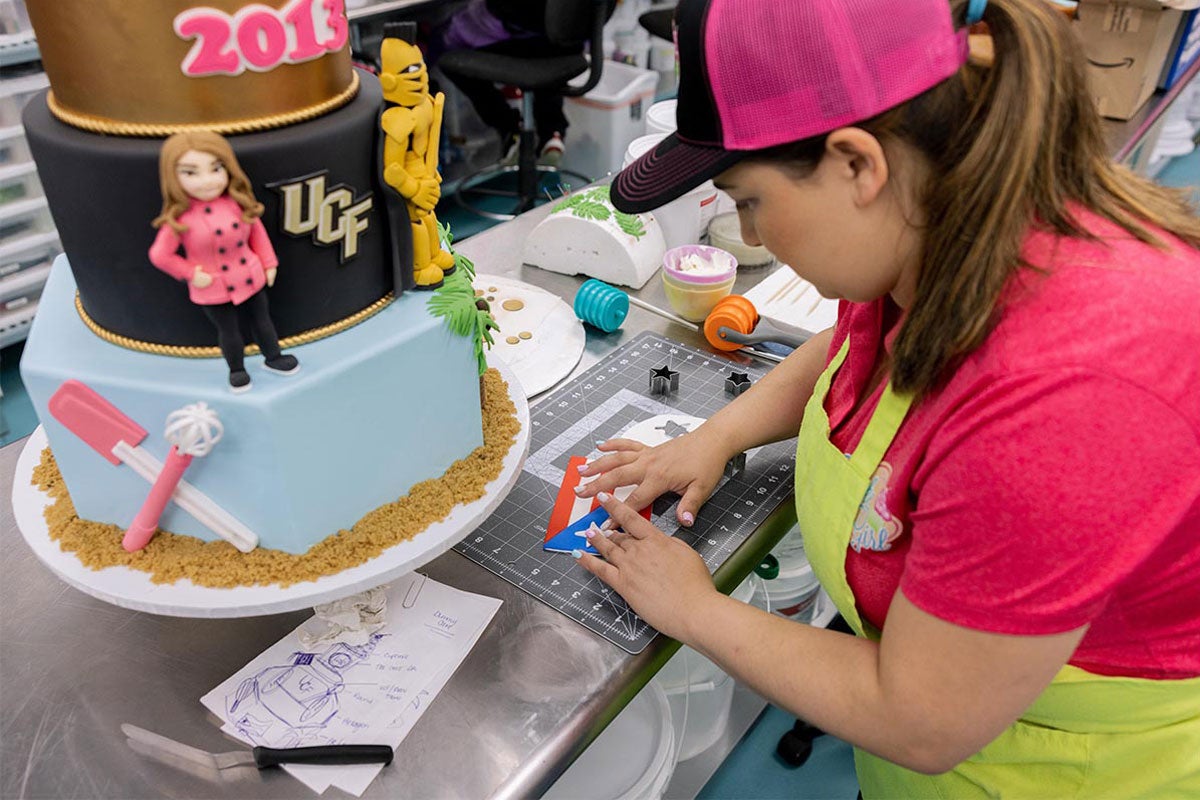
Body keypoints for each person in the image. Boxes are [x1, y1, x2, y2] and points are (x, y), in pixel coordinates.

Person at [573, 0, 1200, 796]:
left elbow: (920, 717)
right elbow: (854, 345)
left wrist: (694, 607)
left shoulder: (1069, 398)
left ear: (857, 164)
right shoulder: (942, 224)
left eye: (750, 201)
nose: (753, 238)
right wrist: (720, 434)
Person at [149, 131, 299, 393]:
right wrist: (190, 273)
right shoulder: (181, 218)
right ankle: (237, 370)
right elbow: (160, 255)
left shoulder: (236, 203)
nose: (207, 181)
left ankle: (273, 357)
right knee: (229, 331)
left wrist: (268, 262)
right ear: (174, 177)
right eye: (191, 173)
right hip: (214, 285)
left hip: (248, 274)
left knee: (262, 320)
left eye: (215, 168)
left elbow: (257, 234)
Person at [424, 0, 583, 167]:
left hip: (521, 32)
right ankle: (552, 133)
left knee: (445, 46)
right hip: (569, 43)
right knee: (547, 38)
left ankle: (509, 127)